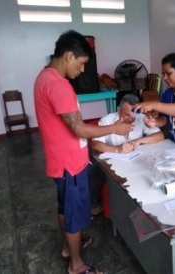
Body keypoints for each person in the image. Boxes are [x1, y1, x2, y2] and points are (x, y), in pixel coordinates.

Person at [34, 30, 131, 274]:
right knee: (75, 215)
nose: (83, 70)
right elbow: (78, 128)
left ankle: (68, 248)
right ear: (69, 56)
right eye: (82, 64)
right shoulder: (58, 85)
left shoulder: (44, 77)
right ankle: (76, 265)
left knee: (64, 209)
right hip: (70, 164)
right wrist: (115, 128)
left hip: (59, 161)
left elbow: (71, 123)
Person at [90, 93, 164, 212]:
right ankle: (95, 206)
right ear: (118, 110)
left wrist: (139, 140)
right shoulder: (107, 120)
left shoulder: (140, 118)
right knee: (95, 174)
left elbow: (160, 136)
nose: (130, 119)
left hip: (134, 161)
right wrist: (117, 149)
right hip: (111, 162)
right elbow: (95, 144)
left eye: (133, 116)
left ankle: (142, 206)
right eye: (126, 115)